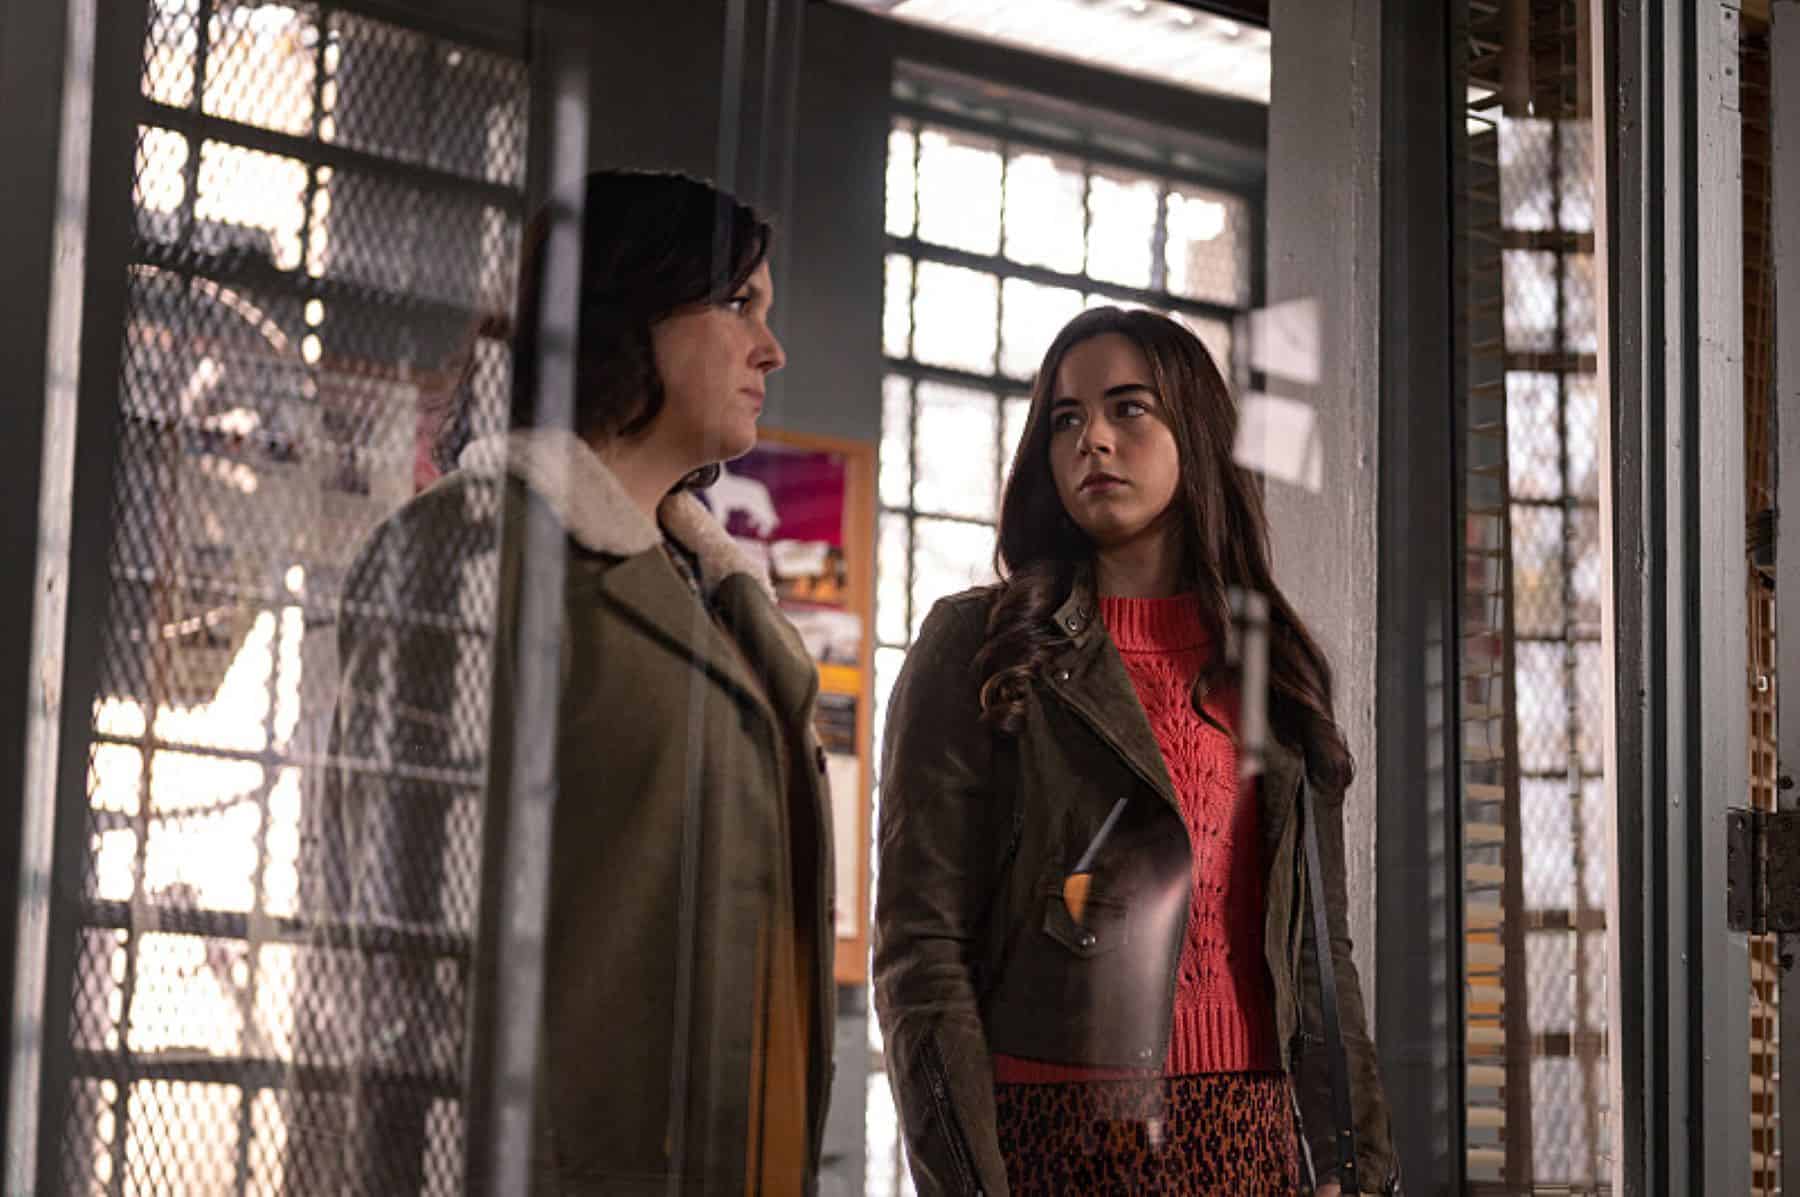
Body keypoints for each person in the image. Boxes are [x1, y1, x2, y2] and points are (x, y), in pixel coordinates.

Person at [316, 170, 835, 1195]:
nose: (770, 350)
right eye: (740, 306)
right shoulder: (473, 549)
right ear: (627, 306)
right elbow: (399, 956)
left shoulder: (719, 597)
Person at [873, 306, 1398, 1195]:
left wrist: (1364, 1164)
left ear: (1193, 429)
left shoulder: (1273, 664)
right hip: (1054, 1140)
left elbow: (1321, 949)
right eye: (1066, 419)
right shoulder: (979, 646)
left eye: (1129, 410)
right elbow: (922, 953)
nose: (1094, 441)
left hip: (1252, 1140)